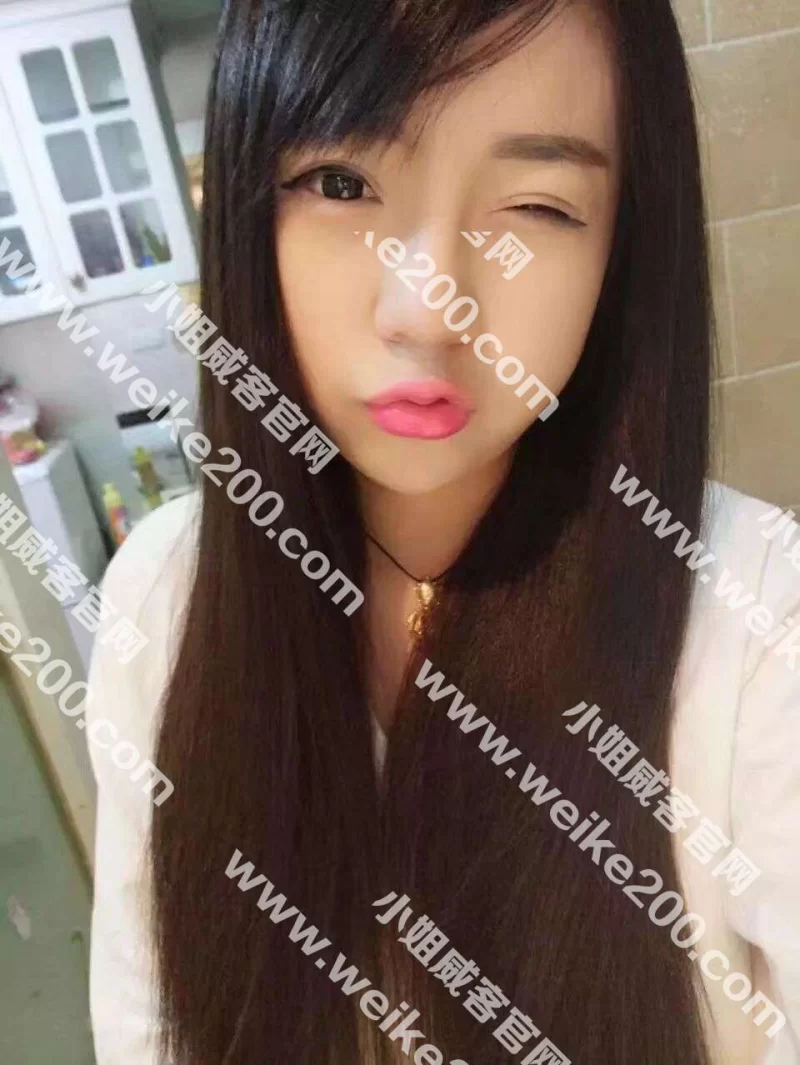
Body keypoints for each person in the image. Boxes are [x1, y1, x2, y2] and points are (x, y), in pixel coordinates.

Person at [85, 0, 800, 1063]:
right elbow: (151, 1022)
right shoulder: (164, 594)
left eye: (535, 206)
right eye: (341, 184)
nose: (428, 309)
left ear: (623, 248)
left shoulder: (757, 620)